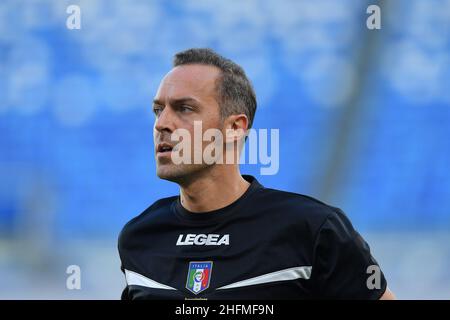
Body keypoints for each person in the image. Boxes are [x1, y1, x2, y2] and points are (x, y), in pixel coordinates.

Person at [118, 48, 395, 300]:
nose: (162, 124)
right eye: (158, 110)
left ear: (235, 128)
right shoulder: (139, 237)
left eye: (185, 108)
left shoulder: (312, 230)